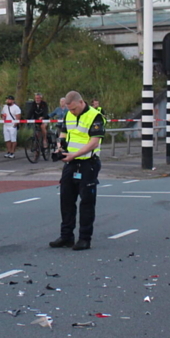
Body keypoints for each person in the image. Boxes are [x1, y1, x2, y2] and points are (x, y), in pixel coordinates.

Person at [50, 91, 105, 251]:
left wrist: (75, 154)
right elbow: (64, 132)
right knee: (66, 199)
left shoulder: (95, 116)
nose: (72, 112)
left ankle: (84, 238)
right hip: (71, 162)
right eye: (69, 109)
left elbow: (94, 142)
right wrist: (60, 147)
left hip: (88, 162)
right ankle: (66, 236)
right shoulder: (68, 115)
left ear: (81, 102)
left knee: (86, 201)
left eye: (74, 109)